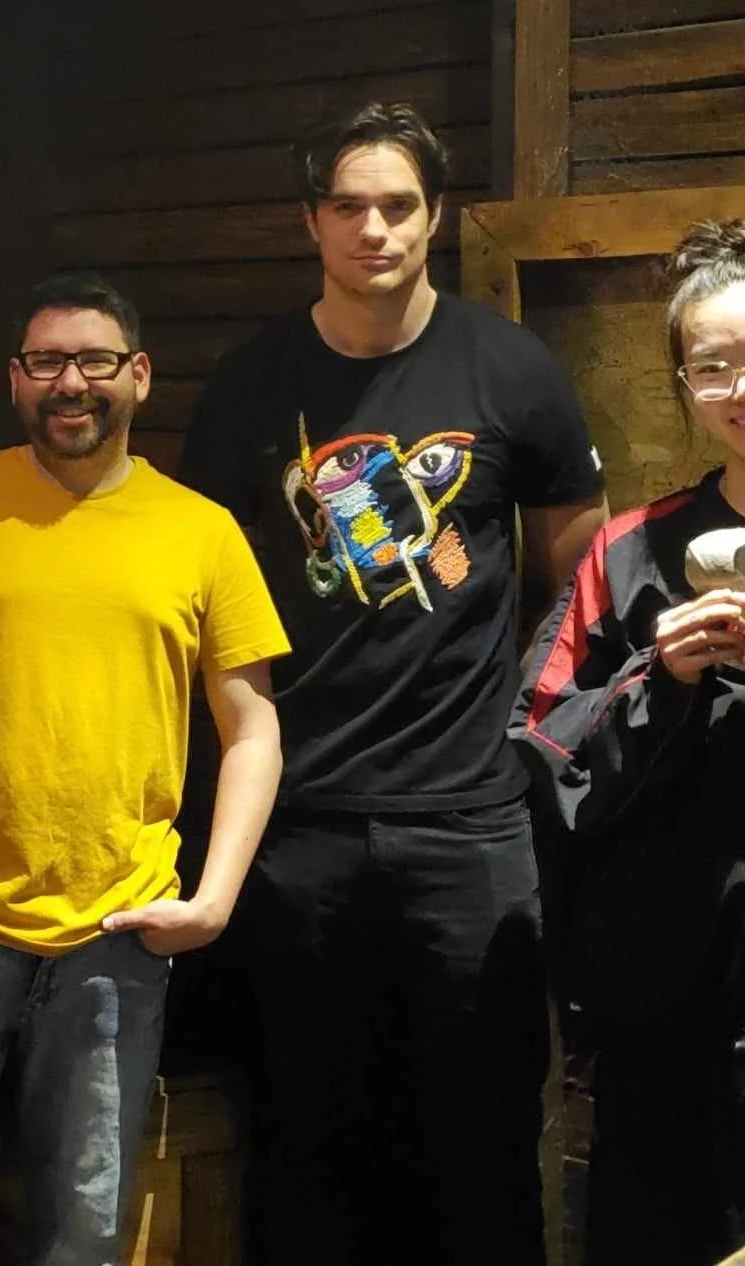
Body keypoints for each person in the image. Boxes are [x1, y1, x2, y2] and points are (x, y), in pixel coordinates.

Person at [177, 100, 608, 1266]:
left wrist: (527, 729)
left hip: (469, 825)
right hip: (298, 824)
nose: (374, 230)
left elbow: (583, 579)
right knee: (304, 1145)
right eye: (348, 207)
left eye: (398, 206)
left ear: (436, 216)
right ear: (310, 222)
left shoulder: (509, 367)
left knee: (481, 1145)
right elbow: (199, 591)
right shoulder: (251, 385)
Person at [0, 272, 289, 1266]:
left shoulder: (200, 529)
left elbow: (252, 726)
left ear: (139, 374)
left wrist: (213, 900)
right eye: (46, 361)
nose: (71, 383)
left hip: (116, 928)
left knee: (87, 1227)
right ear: (15, 379)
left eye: (95, 360)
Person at [511, 219, 745, 1266]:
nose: (739, 388)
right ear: (682, 384)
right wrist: (663, 677)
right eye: (713, 366)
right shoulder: (629, 550)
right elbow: (541, 745)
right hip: (669, 987)